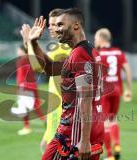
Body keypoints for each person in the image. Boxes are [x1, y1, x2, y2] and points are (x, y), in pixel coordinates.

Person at [22, 8, 104, 160]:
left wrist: (84, 141)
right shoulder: (86, 50)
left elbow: (85, 98)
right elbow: (51, 69)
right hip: (77, 130)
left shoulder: (79, 55)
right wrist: (33, 42)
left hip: (73, 135)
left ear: (76, 26)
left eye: (60, 25)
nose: (56, 29)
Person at [21, 8, 71, 152]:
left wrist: (30, 43)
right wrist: (29, 43)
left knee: (53, 151)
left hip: (62, 110)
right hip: (57, 107)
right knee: (45, 147)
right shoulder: (60, 47)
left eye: (55, 24)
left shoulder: (63, 48)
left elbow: (37, 66)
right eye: (50, 24)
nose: (50, 27)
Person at [94, 28, 132, 160]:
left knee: (104, 122)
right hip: (117, 90)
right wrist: (128, 89)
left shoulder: (98, 54)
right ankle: (117, 143)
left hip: (104, 91)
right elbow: (127, 69)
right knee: (113, 119)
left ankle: (110, 154)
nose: (95, 41)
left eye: (96, 38)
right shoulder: (119, 52)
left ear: (101, 39)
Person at [10, 45, 45, 135]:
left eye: (18, 50)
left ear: (22, 50)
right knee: (36, 105)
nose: (17, 52)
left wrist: (19, 86)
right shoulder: (30, 58)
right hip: (33, 84)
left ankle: (26, 127)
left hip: (25, 86)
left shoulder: (21, 60)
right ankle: (45, 121)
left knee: (23, 107)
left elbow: (20, 75)